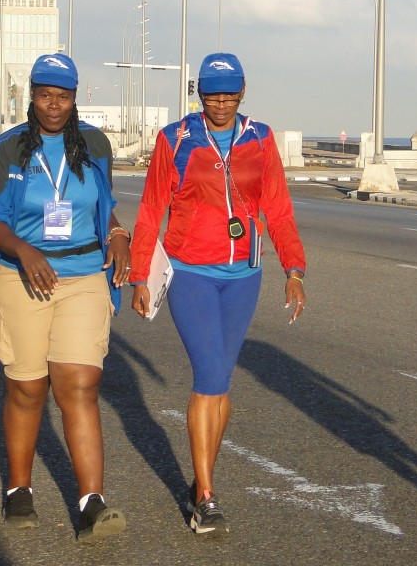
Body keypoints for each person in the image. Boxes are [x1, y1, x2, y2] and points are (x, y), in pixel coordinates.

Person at [128, 52, 306, 537]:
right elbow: (151, 208)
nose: (221, 103)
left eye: (229, 94)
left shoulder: (261, 138)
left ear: (243, 92)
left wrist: (295, 268)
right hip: (192, 274)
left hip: (244, 276)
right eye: (211, 95)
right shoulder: (176, 139)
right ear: (199, 94)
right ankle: (205, 497)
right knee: (208, 377)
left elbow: (278, 208)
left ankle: (200, 479)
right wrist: (140, 274)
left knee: (221, 384)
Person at [0, 53, 131, 543]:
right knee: (27, 387)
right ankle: (19, 488)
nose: (53, 106)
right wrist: (22, 249)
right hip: (21, 276)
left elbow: (104, 205)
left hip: (84, 275)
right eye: (44, 96)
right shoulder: (9, 149)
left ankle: (91, 503)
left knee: (79, 384)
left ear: (75, 98)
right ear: (31, 96)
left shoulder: (96, 145)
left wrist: (119, 231)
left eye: (62, 97)